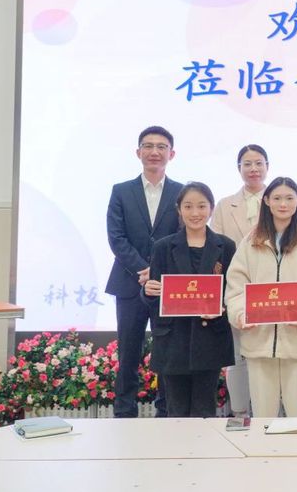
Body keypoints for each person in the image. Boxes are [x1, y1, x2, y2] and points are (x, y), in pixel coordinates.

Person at [225, 177, 297, 417]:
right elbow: (236, 286)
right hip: (259, 340)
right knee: (263, 416)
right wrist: (240, 314)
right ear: (266, 201)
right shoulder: (250, 241)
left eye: (289, 198)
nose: (283, 204)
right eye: (277, 198)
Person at [106, 126, 183, 418]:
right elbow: (116, 238)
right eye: (148, 146)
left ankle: (166, 411)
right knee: (128, 352)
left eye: (161, 147)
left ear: (171, 154)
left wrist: (158, 272)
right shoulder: (121, 191)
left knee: (167, 351)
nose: (154, 152)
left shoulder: (181, 193)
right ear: (138, 152)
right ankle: (124, 412)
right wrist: (143, 269)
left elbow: (182, 237)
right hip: (129, 283)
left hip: (167, 287)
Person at [143, 182, 236, 417]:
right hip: (174, 340)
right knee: (176, 411)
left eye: (202, 206)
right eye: (188, 206)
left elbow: (232, 291)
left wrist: (222, 308)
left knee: (204, 411)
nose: (195, 213)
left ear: (211, 209)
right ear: (179, 209)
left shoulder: (225, 246)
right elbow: (155, 297)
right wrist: (148, 291)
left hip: (209, 339)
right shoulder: (163, 247)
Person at [211, 144, 270, 418]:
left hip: (273, 292)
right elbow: (216, 249)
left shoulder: (280, 198)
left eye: (259, 163)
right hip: (236, 290)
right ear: (239, 169)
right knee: (236, 356)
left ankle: (268, 413)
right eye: (247, 164)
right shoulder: (224, 205)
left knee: (268, 355)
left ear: (267, 167)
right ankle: (239, 413)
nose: (253, 169)